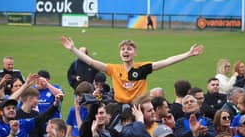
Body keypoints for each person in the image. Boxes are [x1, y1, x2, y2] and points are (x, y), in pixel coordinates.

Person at [61, 36, 204, 104]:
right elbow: (91, 61)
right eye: (123, 49)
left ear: (135, 53)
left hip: (140, 107)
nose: (125, 51)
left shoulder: (142, 68)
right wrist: (73, 49)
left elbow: (166, 62)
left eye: (129, 49)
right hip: (119, 107)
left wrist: (188, 54)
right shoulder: (113, 69)